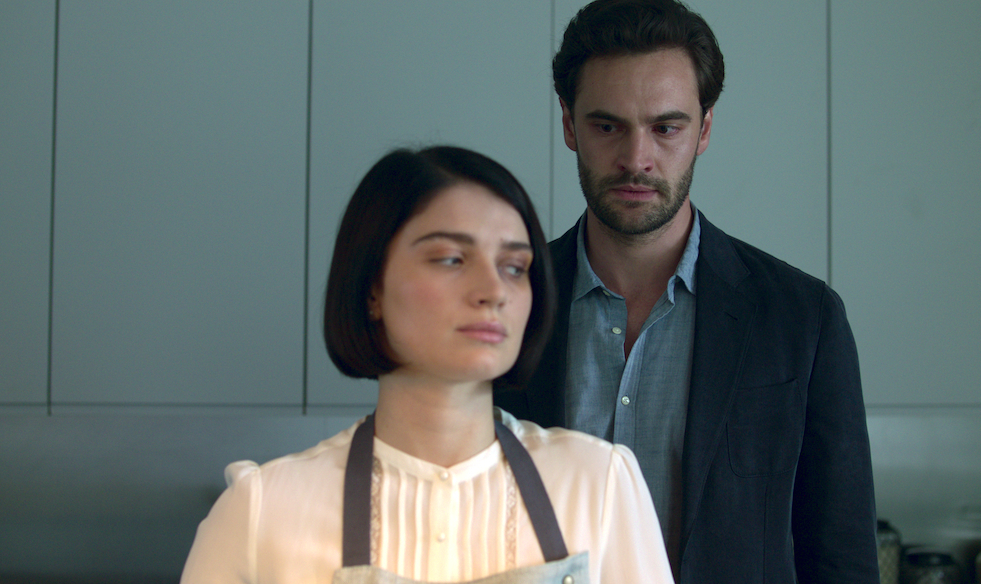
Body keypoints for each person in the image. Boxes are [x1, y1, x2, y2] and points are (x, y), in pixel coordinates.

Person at [493, 1, 880, 582]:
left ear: (704, 129)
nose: (636, 160)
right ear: (570, 125)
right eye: (607, 126)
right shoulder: (503, 301)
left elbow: (842, 560)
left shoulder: (802, 318)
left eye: (665, 128)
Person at [180, 145, 674, 584]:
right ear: (372, 288)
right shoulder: (261, 511)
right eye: (451, 259)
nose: (493, 291)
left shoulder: (598, 485)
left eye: (514, 267)